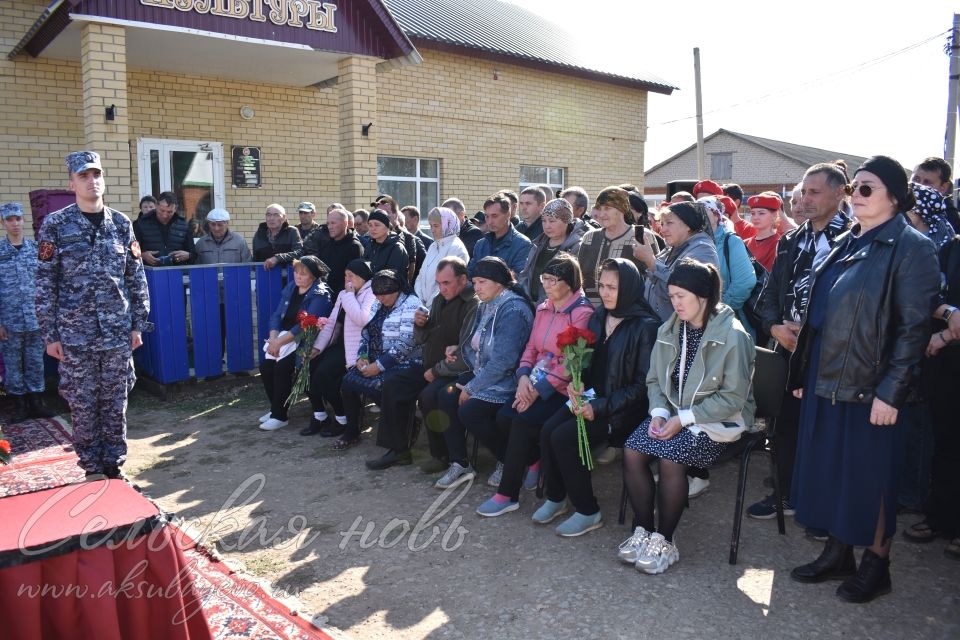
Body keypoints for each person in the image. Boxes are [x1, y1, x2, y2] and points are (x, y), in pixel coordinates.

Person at [787, 156, 939, 603]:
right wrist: (805, 371)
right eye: (855, 187)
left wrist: (891, 392)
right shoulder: (846, 239)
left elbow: (913, 330)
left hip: (870, 385)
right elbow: (821, 315)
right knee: (834, 472)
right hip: (827, 375)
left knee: (871, 478)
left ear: (895, 196)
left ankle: (877, 565)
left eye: (867, 188)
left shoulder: (912, 247)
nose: (856, 195)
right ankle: (839, 554)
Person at [619, 259, 755, 574]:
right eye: (672, 296)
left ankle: (665, 541)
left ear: (703, 296)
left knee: (671, 457)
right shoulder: (670, 329)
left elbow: (733, 398)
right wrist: (659, 412)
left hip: (718, 421)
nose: (675, 303)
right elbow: (655, 380)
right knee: (632, 450)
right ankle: (644, 530)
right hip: (676, 413)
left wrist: (684, 419)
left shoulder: (733, 335)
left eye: (681, 296)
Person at [35, 150, 151, 479]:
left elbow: (135, 277)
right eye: (83, 176)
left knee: (115, 401)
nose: (92, 181)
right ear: (72, 183)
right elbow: (44, 283)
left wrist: (138, 324)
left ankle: (114, 465)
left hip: (117, 332)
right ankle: (91, 467)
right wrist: (50, 334)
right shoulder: (55, 225)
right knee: (82, 402)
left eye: (96, 174)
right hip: (75, 335)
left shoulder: (121, 224)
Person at [748, 162, 851, 524]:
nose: (805, 199)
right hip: (787, 351)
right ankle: (785, 493)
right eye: (803, 191)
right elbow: (769, 294)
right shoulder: (792, 240)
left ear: (839, 193)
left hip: (829, 354)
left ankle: (823, 506)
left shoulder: (853, 240)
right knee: (783, 425)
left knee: (826, 432)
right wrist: (774, 326)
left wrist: (813, 336)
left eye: (814, 192)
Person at [533, 258, 660, 535]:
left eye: (612, 287)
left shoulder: (646, 326)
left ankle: (588, 510)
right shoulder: (600, 316)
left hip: (625, 411)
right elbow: (589, 362)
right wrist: (577, 382)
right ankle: (556, 497)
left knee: (564, 438)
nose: (604, 293)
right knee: (548, 430)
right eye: (601, 286)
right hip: (592, 397)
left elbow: (643, 387)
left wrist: (600, 407)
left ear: (628, 287)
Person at [474, 254, 594, 517]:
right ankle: (534, 459)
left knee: (521, 420)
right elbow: (531, 348)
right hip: (534, 379)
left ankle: (507, 493)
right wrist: (524, 378)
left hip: (561, 389)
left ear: (570, 282)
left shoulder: (582, 313)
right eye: (544, 279)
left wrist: (538, 390)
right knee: (504, 416)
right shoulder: (543, 308)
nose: (547, 285)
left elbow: (573, 363)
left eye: (553, 280)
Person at [366, 257, 478, 470]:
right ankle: (398, 450)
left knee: (429, 396)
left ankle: (442, 455)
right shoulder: (439, 299)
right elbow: (422, 338)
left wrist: (436, 371)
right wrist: (419, 325)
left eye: (447, 283)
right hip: (429, 365)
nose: (442, 288)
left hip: (452, 370)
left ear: (463, 280)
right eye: (439, 283)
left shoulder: (472, 304)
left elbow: (466, 353)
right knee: (393, 384)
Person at [452, 257, 535, 488]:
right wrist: (456, 351)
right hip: (485, 371)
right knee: (444, 395)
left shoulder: (513, 310)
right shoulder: (486, 303)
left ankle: (509, 460)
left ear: (499, 282)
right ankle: (460, 461)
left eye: (482, 282)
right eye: (474, 282)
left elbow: (505, 361)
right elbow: (478, 343)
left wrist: (472, 387)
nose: (476, 288)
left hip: (509, 379)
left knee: (470, 412)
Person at [903, 232, 960, 559]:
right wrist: (948, 318)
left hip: (946, 347)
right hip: (946, 366)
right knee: (946, 443)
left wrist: (945, 337)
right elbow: (931, 296)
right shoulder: (951, 247)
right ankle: (940, 516)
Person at [334, 270, 422, 451]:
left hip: (404, 362)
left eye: (385, 295)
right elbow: (366, 332)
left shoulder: (411, 304)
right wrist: (362, 356)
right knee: (348, 382)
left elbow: (407, 343)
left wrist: (379, 366)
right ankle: (352, 431)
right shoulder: (378, 303)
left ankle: (407, 423)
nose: (381, 299)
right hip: (375, 358)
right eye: (377, 295)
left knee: (379, 384)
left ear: (397, 290)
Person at [302, 258, 377, 437]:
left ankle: (342, 417)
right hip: (340, 345)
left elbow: (362, 318)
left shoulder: (372, 293)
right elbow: (331, 324)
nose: (347, 280)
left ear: (363, 277)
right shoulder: (343, 294)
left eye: (351, 276)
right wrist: (317, 348)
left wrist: (349, 296)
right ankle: (319, 415)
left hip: (359, 350)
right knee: (306, 368)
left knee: (325, 375)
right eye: (345, 276)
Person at [258, 256, 333, 431]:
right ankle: (276, 408)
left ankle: (280, 416)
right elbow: (277, 316)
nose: (298, 276)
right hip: (283, 338)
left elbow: (305, 326)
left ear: (313, 276)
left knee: (282, 368)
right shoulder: (291, 287)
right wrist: (273, 339)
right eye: (296, 272)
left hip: (305, 341)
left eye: (303, 273)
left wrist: (278, 342)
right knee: (266, 367)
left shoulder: (321, 294)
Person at [0, 202, 55, 421]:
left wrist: (46, 316)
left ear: (23, 221)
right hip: (9, 321)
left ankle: (37, 402)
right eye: (9, 220)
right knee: (13, 364)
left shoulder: (36, 249)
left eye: (18, 219)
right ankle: (19, 405)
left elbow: (46, 283)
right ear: (3, 223)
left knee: (35, 362)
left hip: (35, 319)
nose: (15, 223)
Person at [633, 201, 719, 322]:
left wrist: (650, 260)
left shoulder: (703, 249)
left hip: (682, 328)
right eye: (662, 224)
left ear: (688, 225)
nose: (663, 230)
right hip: (662, 327)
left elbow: (681, 289)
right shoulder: (672, 248)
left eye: (669, 223)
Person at [267, 207, 363, 296]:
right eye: (328, 223)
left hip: (343, 299)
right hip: (325, 296)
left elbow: (354, 281)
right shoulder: (327, 244)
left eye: (333, 223)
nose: (329, 227)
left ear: (345, 223)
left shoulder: (354, 246)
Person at [578, 186, 647, 308]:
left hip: (628, 313)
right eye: (599, 208)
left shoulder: (641, 236)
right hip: (589, 312)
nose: (601, 214)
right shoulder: (589, 238)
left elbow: (651, 280)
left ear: (622, 209)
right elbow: (578, 277)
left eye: (607, 208)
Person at [700, 197, 757, 340]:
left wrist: (717, 311)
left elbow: (744, 282)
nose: (699, 216)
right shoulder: (694, 241)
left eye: (703, 211)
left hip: (727, 324)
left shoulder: (731, 241)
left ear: (716, 215)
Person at [518, 199, 587, 302]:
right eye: (544, 221)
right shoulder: (538, 244)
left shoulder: (576, 248)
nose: (547, 226)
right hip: (530, 304)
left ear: (566, 221)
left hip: (557, 306)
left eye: (552, 221)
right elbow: (525, 274)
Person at [467, 193, 532, 277]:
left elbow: (519, 279)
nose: (489, 221)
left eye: (494, 216)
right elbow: (470, 275)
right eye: (487, 216)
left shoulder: (523, 244)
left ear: (508, 215)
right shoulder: (480, 244)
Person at [414, 207, 470, 305]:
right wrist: (420, 301)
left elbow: (446, 283)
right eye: (431, 226)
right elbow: (421, 276)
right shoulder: (433, 246)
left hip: (443, 306)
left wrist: (430, 306)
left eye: (436, 226)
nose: (432, 230)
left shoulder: (456, 248)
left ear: (447, 224)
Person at [134, 191, 197, 266]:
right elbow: (130, 251)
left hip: (176, 271)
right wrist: (142, 255)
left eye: (169, 212)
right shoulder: (140, 223)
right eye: (162, 210)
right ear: (156, 206)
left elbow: (194, 255)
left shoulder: (184, 225)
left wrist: (188, 255)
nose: (165, 215)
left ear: (175, 209)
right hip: (149, 271)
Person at [375, 195, 424, 283]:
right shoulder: (371, 237)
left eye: (386, 213)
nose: (381, 216)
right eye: (379, 213)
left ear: (395, 215)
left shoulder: (407, 237)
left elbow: (411, 269)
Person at [912, 156, 959, 233]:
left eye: (927, 182)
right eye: (916, 179)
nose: (919, 186)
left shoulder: (950, 219)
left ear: (944, 187)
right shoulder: (896, 205)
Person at [364, 209, 410, 280]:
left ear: (387, 226)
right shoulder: (370, 245)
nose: (373, 229)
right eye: (370, 225)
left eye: (377, 225)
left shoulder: (396, 248)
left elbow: (392, 277)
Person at [744, 192, 785, 271]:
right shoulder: (745, 243)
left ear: (774, 216)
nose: (755, 217)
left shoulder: (780, 244)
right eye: (753, 213)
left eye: (761, 213)